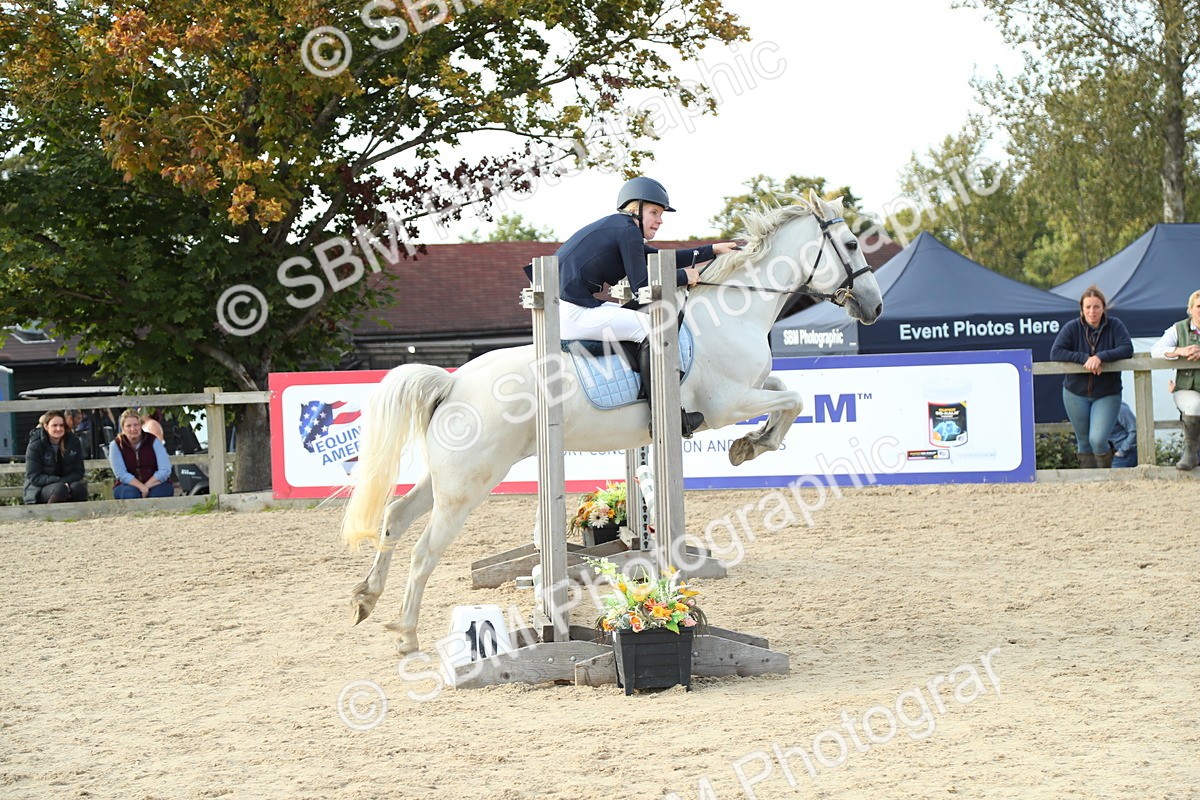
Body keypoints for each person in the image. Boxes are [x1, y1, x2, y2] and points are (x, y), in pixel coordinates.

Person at [553, 176, 740, 438]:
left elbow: (657, 258)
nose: (660, 220)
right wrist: (684, 277)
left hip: (568, 308)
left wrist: (711, 250)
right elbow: (643, 285)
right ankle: (666, 415)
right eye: (654, 212)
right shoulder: (627, 230)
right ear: (634, 209)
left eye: (661, 214)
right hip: (574, 312)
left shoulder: (620, 228)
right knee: (651, 328)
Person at [1050, 285, 1133, 468]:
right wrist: (1084, 359)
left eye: (1096, 307)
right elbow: (1056, 352)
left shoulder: (1115, 325)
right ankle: (1089, 482)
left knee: (1098, 439)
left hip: (1106, 392)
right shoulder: (1072, 327)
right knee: (1083, 440)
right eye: (1088, 307)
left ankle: (1105, 476)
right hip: (1075, 392)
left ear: (1103, 308)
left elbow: (1127, 349)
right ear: (1082, 309)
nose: (1092, 311)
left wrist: (1100, 357)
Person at [1150, 288, 1200, 470]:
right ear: (1190, 309)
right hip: (1187, 388)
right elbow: (1155, 351)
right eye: (1199, 306)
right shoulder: (1179, 329)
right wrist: (1180, 351)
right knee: (1195, 405)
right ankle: (1190, 453)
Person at [23, 410, 89, 504]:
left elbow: (79, 471)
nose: (58, 429)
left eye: (61, 425)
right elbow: (34, 477)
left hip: (68, 483)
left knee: (79, 488)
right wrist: (60, 482)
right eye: (54, 425)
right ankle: (50, 516)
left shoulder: (73, 442)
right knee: (60, 490)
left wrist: (65, 482)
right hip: (39, 488)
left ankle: (79, 516)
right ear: (46, 426)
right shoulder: (35, 445)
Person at [109, 408, 174, 499]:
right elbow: (121, 474)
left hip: (155, 482)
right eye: (128, 426)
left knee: (158, 495)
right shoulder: (116, 445)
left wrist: (146, 487)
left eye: (136, 425)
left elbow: (165, 470)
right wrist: (141, 487)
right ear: (123, 428)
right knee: (131, 494)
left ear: (141, 425)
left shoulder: (153, 441)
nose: (133, 429)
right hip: (128, 485)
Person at [1108, 402, 1138, 468]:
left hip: (1123, 456)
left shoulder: (1120, 408)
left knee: (1115, 478)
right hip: (1108, 455)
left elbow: (1135, 429)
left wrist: (1122, 451)